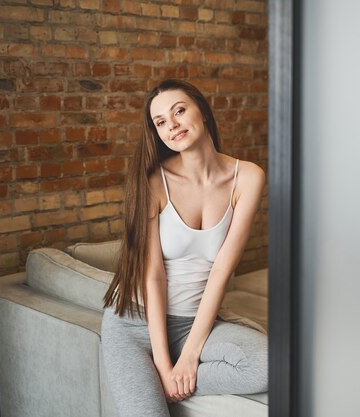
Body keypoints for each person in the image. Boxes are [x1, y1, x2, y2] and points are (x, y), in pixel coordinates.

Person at [101, 79, 268, 417]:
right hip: (135, 323)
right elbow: (154, 277)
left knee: (266, 365)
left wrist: (189, 358)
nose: (172, 125)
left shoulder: (247, 177)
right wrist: (164, 370)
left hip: (194, 323)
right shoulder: (153, 183)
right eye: (160, 121)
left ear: (203, 112)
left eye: (179, 111)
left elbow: (222, 270)